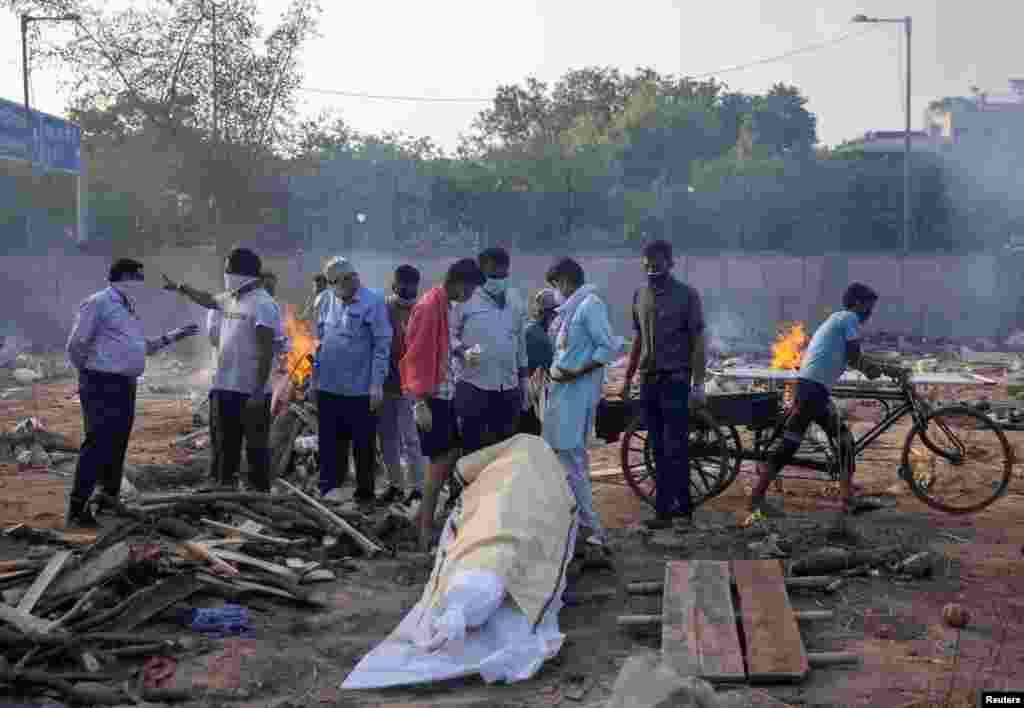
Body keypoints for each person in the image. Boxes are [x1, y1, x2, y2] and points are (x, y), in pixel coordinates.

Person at [65, 258, 199, 526]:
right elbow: (76, 344)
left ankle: (108, 498)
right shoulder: (98, 303)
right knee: (98, 441)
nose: (141, 284)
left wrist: (173, 336)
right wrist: (89, 373)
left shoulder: (127, 308)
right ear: (123, 277)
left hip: (125, 384)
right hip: (100, 383)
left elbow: (142, 348)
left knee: (117, 441)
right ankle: (77, 507)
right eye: (137, 278)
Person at [750, 283, 884, 517]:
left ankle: (847, 500)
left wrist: (882, 368)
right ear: (857, 303)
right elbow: (855, 358)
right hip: (812, 390)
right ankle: (755, 498)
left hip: (816, 390)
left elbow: (857, 358)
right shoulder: (848, 318)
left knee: (844, 440)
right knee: (790, 444)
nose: (869, 313)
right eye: (868, 307)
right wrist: (885, 369)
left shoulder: (839, 319)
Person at [400, 258, 485, 551]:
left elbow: (444, 345)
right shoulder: (428, 308)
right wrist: (420, 402)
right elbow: (416, 355)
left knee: (448, 457)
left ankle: (428, 520)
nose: (471, 295)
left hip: (444, 392)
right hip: (432, 396)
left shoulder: (443, 306)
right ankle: (424, 533)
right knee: (440, 462)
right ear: (459, 283)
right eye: (471, 289)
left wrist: (463, 353)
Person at [622, 239, 707, 532]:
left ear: (670, 263)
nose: (651, 268)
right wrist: (628, 375)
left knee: (677, 446)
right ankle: (663, 512)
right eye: (646, 264)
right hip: (649, 381)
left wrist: (699, 384)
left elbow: (697, 341)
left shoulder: (687, 296)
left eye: (657, 263)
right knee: (657, 447)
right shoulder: (639, 294)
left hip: (676, 379)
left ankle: (683, 510)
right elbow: (638, 339)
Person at [543, 258, 620, 548]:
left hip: (576, 394)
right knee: (567, 461)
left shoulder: (590, 305)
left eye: (556, 284)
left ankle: (592, 528)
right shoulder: (570, 310)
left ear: (565, 281)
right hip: (563, 393)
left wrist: (577, 372)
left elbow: (608, 347)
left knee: (572, 461)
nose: (555, 291)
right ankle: (576, 523)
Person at [314, 256, 392, 505]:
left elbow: (382, 345)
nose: (350, 283)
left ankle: (364, 494)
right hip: (329, 386)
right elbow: (320, 340)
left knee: (363, 444)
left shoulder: (373, 301)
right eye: (343, 281)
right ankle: (330, 488)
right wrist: (313, 380)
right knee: (330, 442)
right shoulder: (326, 300)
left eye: (352, 277)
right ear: (332, 284)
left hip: (359, 388)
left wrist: (377, 384)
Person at [207, 247, 282, 493]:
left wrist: (259, 390)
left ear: (243, 273)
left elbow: (265, 350)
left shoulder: (264, 304)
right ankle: (223, 491)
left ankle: (259, 496)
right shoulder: (227, 299)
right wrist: (182, 288)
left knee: (255, 449)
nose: (225, 273)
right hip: (224, 386)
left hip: (251, 390)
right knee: (224, 447)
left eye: (229, 268)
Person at [451, 247, 530, 455]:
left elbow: (520, 342)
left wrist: (524, 380)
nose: (499, 279)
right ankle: (466, 488)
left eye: (503, 274)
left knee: (505, 450)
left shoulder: (515, 299)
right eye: (493, 275)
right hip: (473, 386)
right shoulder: (464, 300)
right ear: (481, 273)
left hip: (508, 387)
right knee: (471, 449)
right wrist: (462, 351)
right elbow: (447, 335)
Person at [377, 265, 427, 506]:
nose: (407, 291)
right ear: (394, 285)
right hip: (386, 382)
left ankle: (417, 487)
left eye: (412, 287)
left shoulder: (422, 309)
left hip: (412, 385)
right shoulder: (383, 307)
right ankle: (395, 485)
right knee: (387, 437)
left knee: (411, 438)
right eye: (403, 286)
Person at [519, 287, 559, 436]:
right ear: (550, 314)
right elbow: (554, 372)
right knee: (532, 432)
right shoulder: (540, 338)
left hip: (513, 386)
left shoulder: (529, 328)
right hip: (518, 390)